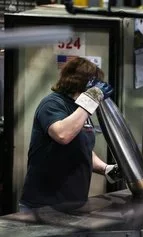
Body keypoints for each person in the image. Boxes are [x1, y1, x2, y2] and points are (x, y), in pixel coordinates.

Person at [19, 57, 122, 212]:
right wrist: (91, 100)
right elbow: (62, 135)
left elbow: (82, 146)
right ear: (83, 82)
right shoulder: (52, 103)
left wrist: (105, 168)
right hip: (44, 206)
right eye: (94, 83)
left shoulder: (78, 109)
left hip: (74, 203)